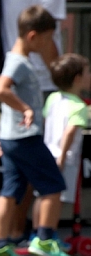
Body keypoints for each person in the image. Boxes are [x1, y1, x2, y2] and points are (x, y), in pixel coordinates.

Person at [0, 5, 72, 256]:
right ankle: (44, 238)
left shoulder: (15, 60)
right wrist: (25, 109)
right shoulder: (19, 63)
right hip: (25, 137)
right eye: (48, 39)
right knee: (53, 186)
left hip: (12, 137)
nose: (48, 45)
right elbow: (1, 90)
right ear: (33, 36)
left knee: (11, 190)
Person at [39, 54, 90, 223]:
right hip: (65, 159)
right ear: (77, 79)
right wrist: (61, 158)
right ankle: (47, 233)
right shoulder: (79, 106)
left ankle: (38, 233)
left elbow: (45, 122)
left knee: (43, 195)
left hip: (47, 153)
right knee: (56, 199)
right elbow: (69, 132)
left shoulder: (52, 98)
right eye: (88, 72)